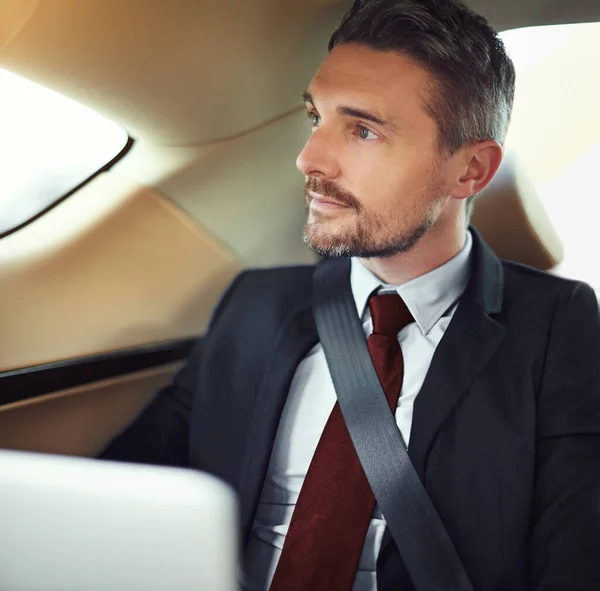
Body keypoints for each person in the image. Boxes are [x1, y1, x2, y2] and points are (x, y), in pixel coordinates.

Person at [100, 0, 600, 589]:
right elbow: (116, 497)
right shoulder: (253, 305)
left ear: (469, 171)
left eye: (362, 129)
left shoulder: (559, 328)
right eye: (316, 118)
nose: (309, 159)